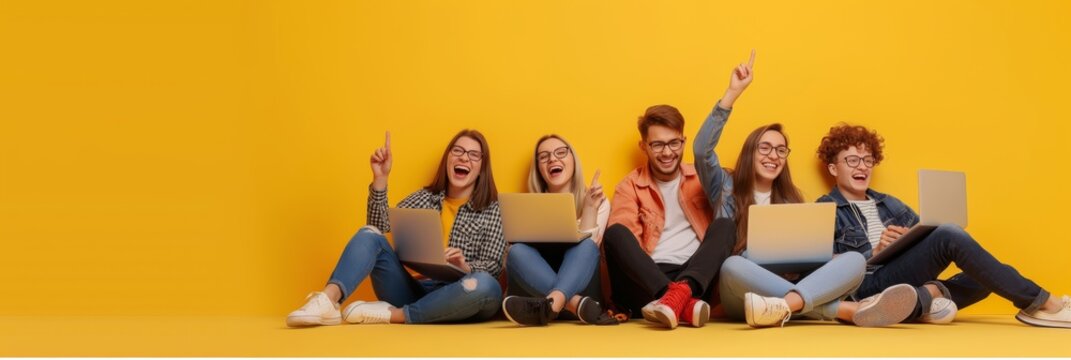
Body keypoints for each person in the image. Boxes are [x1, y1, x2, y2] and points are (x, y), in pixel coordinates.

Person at [696, 51, 917, 328]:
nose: (773, 155)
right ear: (750, 153)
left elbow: (810, 260)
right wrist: (732, 93)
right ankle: (843, 310)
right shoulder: (725, 187)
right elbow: (701, 151)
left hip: (787, 285)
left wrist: (848, 258)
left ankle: (781, 307)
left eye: (780, 150)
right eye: (764, 148)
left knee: (853, 260)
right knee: (733, 265)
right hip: (741, 290)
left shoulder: (792, 202)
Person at [815, 124, 1071, 328]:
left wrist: (907, 241)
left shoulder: (890, 204)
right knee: (950, 234)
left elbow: (926, 242)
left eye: (867, 160)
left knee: (987, 274)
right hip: (864, 285)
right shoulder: (825, 209)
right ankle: (1043, 303)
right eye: (852, 161)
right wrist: (872, 253)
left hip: (899, 280)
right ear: (833, 168)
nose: (862, 167)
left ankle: (920, 301)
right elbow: (821, 270)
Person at [286, 130, 506, 326]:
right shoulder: (425, 199)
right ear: (447, 159)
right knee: (368, 234)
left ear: (481, 168)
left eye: (473, 154)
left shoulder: (494, 209)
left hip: (462, 295)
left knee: (485, 284)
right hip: (415, 291)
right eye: (457, 151)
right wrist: (380, 178)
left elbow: (494, 267)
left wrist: (464, 266)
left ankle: (395, 315)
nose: (464, 157)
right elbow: (378, 228)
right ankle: (328, 301)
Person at [601, 98, 737, 330]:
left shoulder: (702, 178)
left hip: (695, 278)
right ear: (643, 146)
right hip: (647, 283)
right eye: (658, 145)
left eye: (674, 143)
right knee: (615, 233)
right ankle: (675, 299)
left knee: (725, 225)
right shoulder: (630, 186)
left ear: (684, 142)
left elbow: (711, 158)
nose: (667, 152)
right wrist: (661, 284)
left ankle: (680, 295)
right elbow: (629, 246)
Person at [501, 135, 617, 326]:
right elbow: (512, 262)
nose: (553, 159)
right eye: (544, 156)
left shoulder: (598, 201)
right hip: (553, 305)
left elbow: (589, 250)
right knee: (516, 251)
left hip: (582, 289)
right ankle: (570, 303)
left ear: (573, 159)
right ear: (538, 167)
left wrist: (589, 209)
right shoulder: (525, 207)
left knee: (587, 246)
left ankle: (551, 305)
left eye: (560, 152)